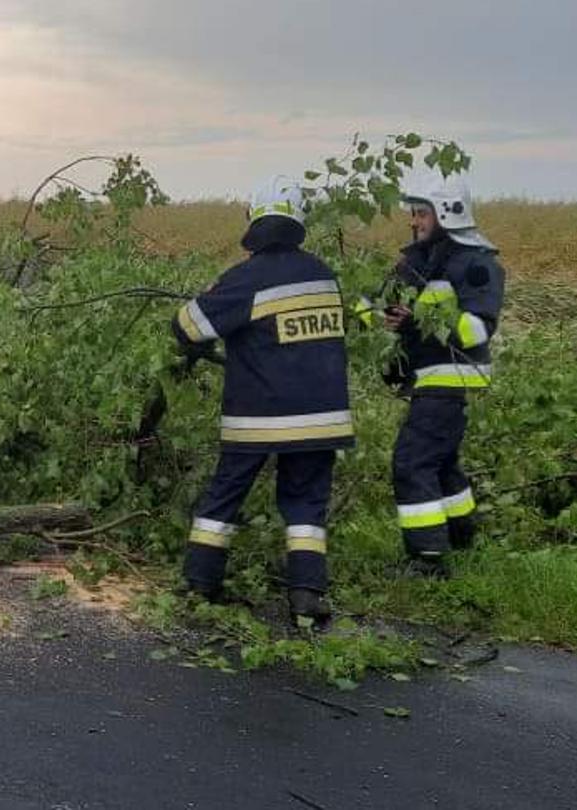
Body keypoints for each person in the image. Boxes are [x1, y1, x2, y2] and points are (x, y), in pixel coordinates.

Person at [171, 177, 354, 626]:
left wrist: (214, 298)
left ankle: (199, 585)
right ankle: (307, 598)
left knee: (225, 497)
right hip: (322, 418)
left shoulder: (246, 278)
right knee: (307, 508)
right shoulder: (323, 274)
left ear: (253, 221)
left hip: (258, 416)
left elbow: (187, 328)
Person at [358, 173, 506, 577]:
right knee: (442, 464)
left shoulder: (477, 265)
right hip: (429, 380)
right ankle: (463, 538)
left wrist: (418, 320)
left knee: (411, 463)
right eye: (413, 213)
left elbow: (477, 328)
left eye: (421, 213)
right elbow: (372, 302)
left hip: (450, 378)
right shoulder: (417, 260)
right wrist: (373, 314)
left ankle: (428, 561)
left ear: (447, 213)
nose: (414, 221)